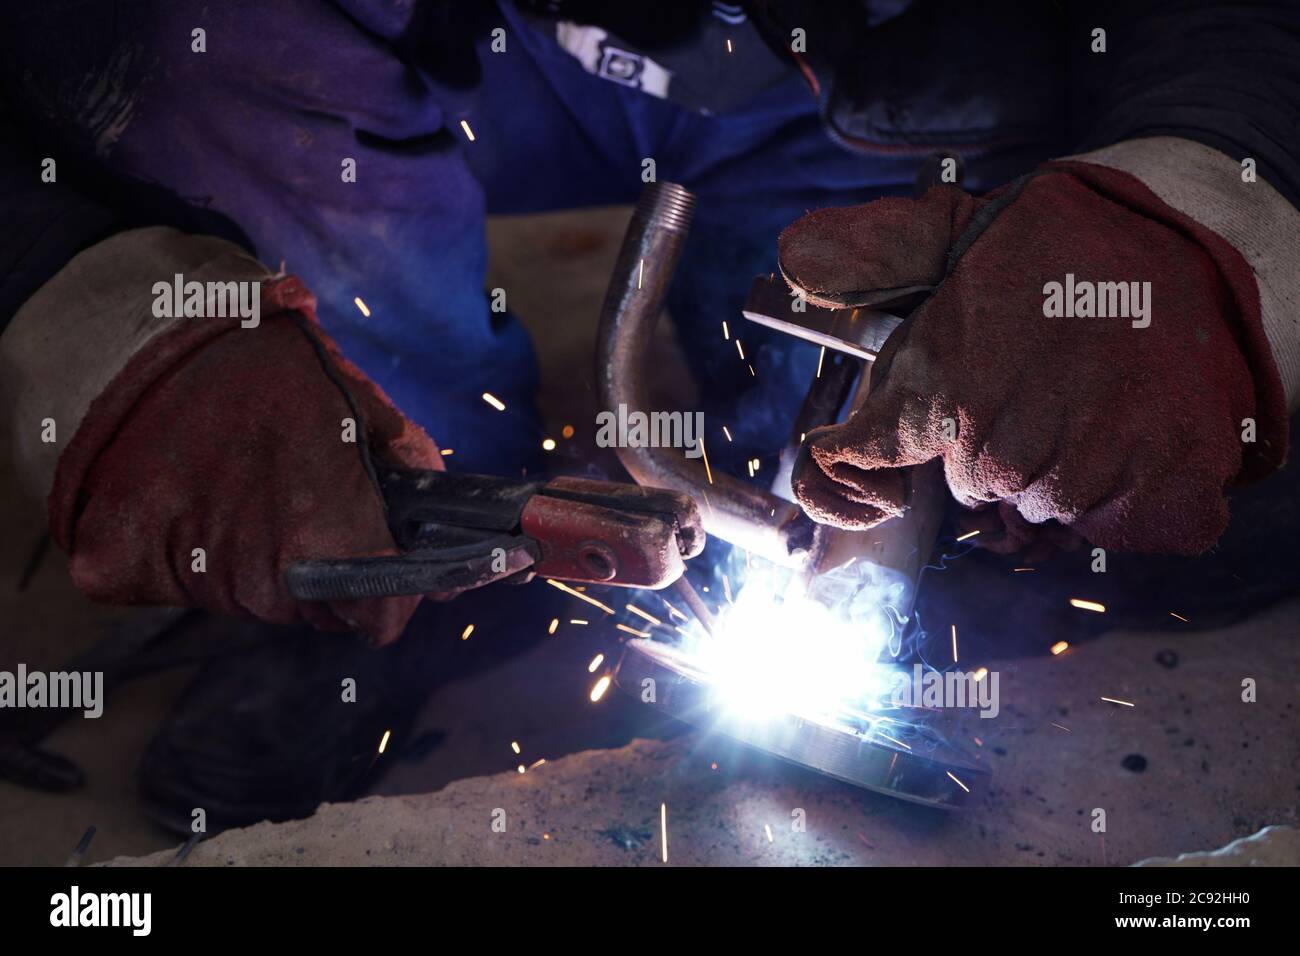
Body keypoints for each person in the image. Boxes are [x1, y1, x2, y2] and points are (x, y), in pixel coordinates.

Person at [1, 1, 1297, 826]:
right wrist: (80, 296)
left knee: (1195, 517)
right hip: (447, 63)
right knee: (199, 39)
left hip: (842, 77)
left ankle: (853, 515)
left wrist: (1184, 213)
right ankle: (405, 524)